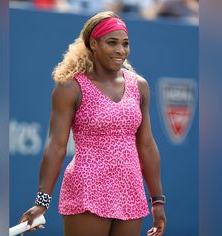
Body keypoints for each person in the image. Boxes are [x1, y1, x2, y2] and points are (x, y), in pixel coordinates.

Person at [19, 11, 166, 236]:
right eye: (112, 42)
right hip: (86, 189)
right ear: (94, 44)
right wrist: (42, 201)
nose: (120, 50)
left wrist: (157, 201)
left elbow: (146, 145)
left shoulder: (140, 86)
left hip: (130, 189)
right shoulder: (70, 87)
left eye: (125, 44)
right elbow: (56, 146)